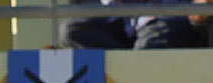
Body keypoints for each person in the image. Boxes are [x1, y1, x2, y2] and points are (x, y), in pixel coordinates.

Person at [64, 0, 208, 49]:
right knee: (72, 30)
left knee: (148, 48)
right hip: (123, 17)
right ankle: (124, 66)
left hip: (169, 16)